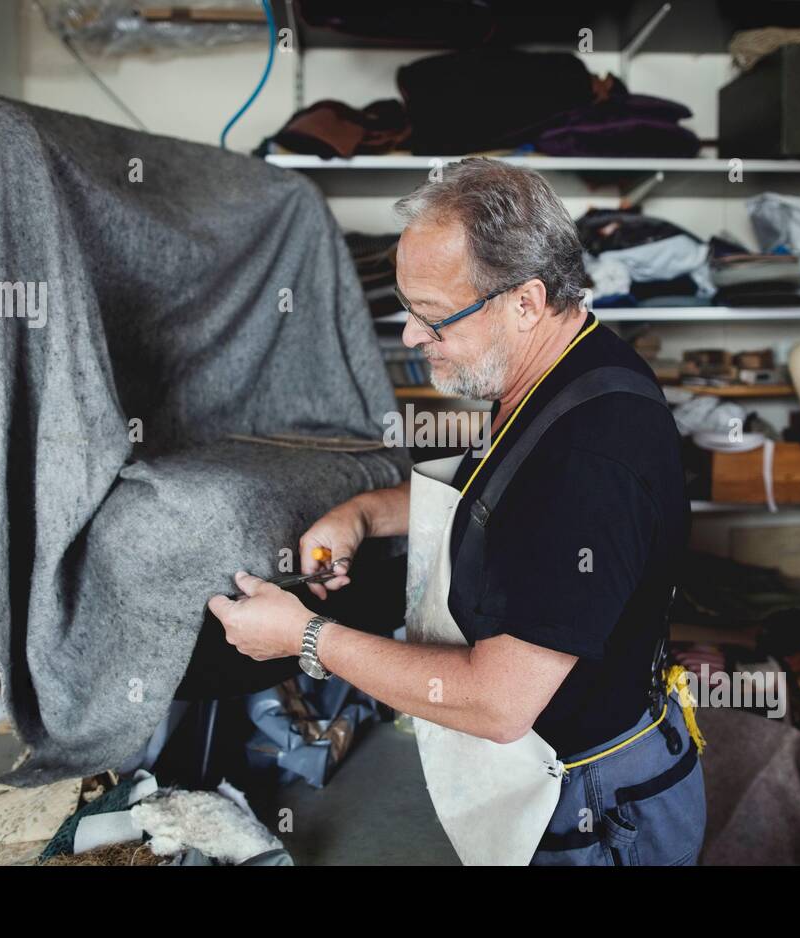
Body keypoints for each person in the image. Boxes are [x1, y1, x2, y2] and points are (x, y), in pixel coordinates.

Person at [209, 157, 704, 866]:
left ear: (525, 301)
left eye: (433, 317)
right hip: (565, 775)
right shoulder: (557, 371)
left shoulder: (589, 458)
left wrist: (305, 638)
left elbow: (500, 704)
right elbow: (493, 496)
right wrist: (362, 515)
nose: (411, 337)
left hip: (594, 812)